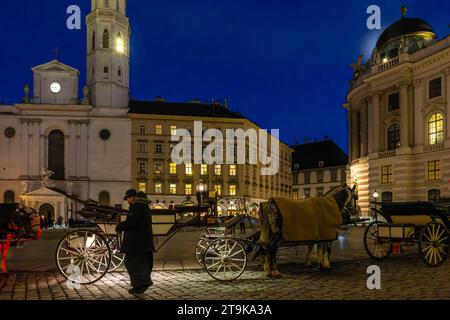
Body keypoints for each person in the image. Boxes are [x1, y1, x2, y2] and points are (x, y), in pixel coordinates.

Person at [116, 190, 154, 295]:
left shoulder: (137, 207)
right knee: (141, 263)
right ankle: (138, 286)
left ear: (132, 197)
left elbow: (132, 222)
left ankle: (142, 284)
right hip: (142, 241)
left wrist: (120, 226)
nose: (128, 201)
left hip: (136, 242)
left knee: (132, 262)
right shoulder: (144, 207)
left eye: (128, 198)